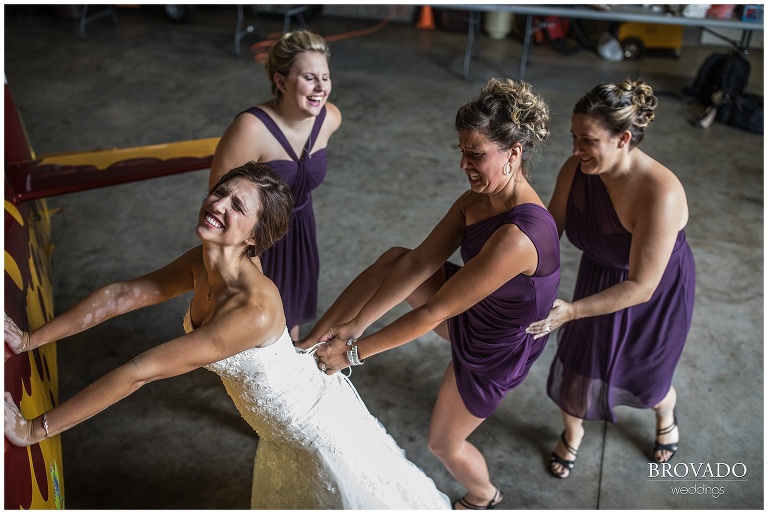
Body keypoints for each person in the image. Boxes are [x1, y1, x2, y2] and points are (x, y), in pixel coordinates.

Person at [4, 161, 451, 510]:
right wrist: (28, 340)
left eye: (238, 207)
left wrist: (34, 429)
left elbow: (141, 371)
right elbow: (123, 295)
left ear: (255, 236)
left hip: (309, 430)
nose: (218, 205)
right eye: (221, 193)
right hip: (275, 429)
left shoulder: (252, 309)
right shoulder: (204, 258)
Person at [299, 78, 560, 510]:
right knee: (396, 258)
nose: (463, 164)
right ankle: (315, 340)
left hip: (494, 348)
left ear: (513, 154)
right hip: (469, 308)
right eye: (461, 151)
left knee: (444, 443)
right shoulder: (475, 201)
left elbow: (433, 312)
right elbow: (421, 262)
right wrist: (355, 324)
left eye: (475, 154)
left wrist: (354, 353)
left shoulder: (520, 235)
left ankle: (485, 495)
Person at [525, 79, 696, 479]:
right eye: (574, 137)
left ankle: (665, 415)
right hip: (598, 277)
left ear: (623, 139)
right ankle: (573, 432)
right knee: (579, 366)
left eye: (588, 141)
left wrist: (571, 311)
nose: (576, 150)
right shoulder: (577, 170)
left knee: (648, 378)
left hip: (655, 293)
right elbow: (549, 234)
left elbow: (642, 285)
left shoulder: (661, 193)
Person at [208, 29, 342, 341]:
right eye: (309, 77)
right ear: (281, 82)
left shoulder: (330, 119)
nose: (321, 87)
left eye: (325, 77)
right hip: (257, 238)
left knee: (289, 322)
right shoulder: (250, 128)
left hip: (301, 230)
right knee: (254, 330)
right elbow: (218, 204)